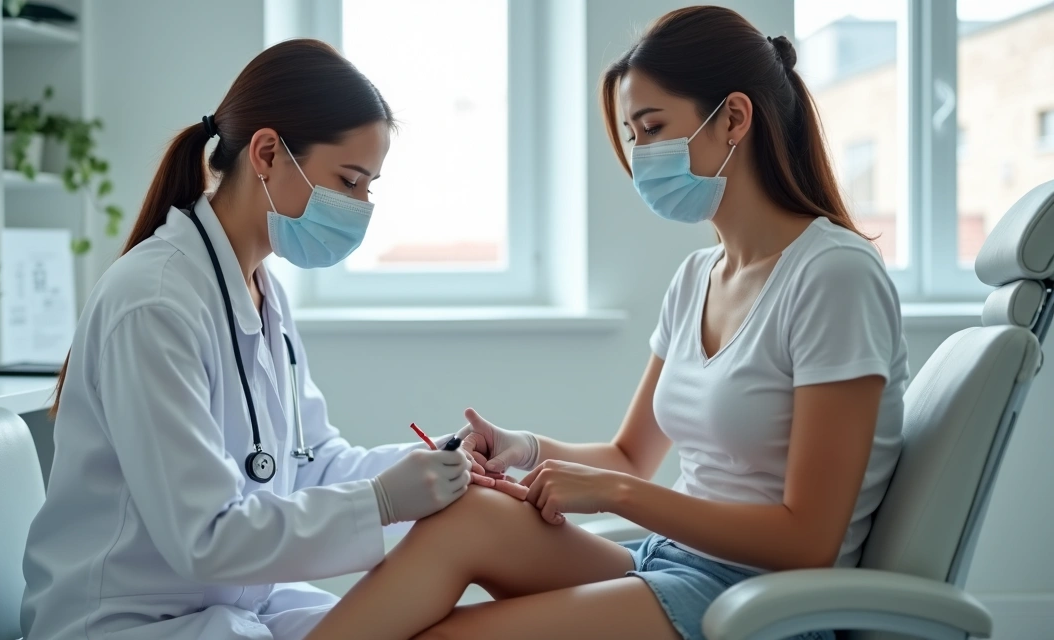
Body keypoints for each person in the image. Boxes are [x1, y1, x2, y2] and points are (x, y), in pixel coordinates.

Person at [303, 7, 909, 640]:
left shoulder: (834, 275)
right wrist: (525, 447)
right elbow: (629, 456)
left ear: (733, 117)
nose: (640, 155)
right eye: (633, 135)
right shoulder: (698, 277)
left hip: (763, 604)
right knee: (466, 514)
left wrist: (614, 496)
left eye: (652, 128)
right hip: (673, 566)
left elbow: (808, 542)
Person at [20, 39, 489, 640]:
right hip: (127, 622)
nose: (360, 207)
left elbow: (310, 462)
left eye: (369, 187)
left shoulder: (260, 291)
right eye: (348, 181)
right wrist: (382, 502)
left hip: (229, 608)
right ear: (267, 153)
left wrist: (431, 464)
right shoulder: (155, 302)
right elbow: (205, 536)